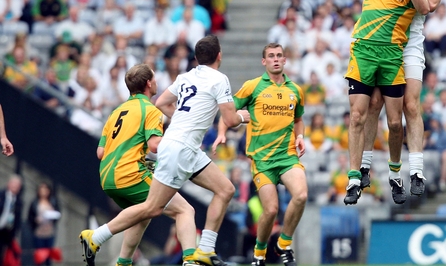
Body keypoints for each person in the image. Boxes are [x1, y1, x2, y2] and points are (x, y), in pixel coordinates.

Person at [80, 37, 245, 266]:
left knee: (225, 189)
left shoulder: (182, 78)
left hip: (118, 170)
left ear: (197, 58)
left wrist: (183, 120)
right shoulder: (219, 79)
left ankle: (202, 250)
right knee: (158, 209)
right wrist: (245, 116)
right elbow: (230, 119)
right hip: (168, 153)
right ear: (219, 55)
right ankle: (97, 236)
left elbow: (161, 103)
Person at [342, 0, 444, 198]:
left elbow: (429, 5)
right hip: (375, 44)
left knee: (406, 111)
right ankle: (365, 168)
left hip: (408, 44)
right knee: (369, 108)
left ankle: (411, 171)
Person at [93, 64, 200, 266]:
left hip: (107, 178)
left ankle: (123, 263)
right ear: (149, 83)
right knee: (185, 210)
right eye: (154, 78)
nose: (157, 81)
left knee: (144, 213)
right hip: (129, 174)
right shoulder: (150, 110)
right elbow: (154, 146)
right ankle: (191, 261)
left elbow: (101, 152)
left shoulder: (117, 111)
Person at [219, 44, 306, 266]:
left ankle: (283, 244)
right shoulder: (253, 86)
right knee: (271, 210)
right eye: (271, 56)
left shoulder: (295, 90)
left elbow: (298, 119)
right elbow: (228, 111)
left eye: (279, 56)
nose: (275, 59)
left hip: (287, 157)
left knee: (301, 196)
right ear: (264, 62)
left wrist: (300, 136)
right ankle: (259, 254)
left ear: (284, 60)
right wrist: (221, 133)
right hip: (262, 161)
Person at [0, 175, 22, 265]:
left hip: (7, 231)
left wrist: (14, 233)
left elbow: (17, 218)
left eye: (17, 185)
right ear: (8, 184)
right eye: (13, 183)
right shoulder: (1, 195)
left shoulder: (18, 201)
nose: (15, 186)